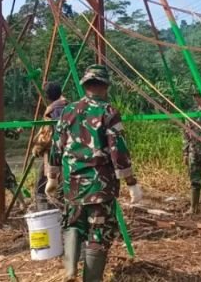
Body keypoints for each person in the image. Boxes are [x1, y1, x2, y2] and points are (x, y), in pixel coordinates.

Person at [46, 65, 143, 281]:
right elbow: (119, 152)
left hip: (72, 184)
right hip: (100, 186)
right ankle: (91, 278)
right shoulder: (108, 112)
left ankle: (70, 270)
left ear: (85, 85)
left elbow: (56, 147)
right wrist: (131, 182)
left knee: (73, 223)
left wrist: (52, 177)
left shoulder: (68, 111)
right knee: (99, 232)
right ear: (106, 86)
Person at [32, 82, 68, 211]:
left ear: (47, 97)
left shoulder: (52, 110)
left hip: (54, 151)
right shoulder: (69, 107)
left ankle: (46, 211)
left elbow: (48, 135)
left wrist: (37, 148)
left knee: (43, 184)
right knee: (65, 181)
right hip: (70, 150)